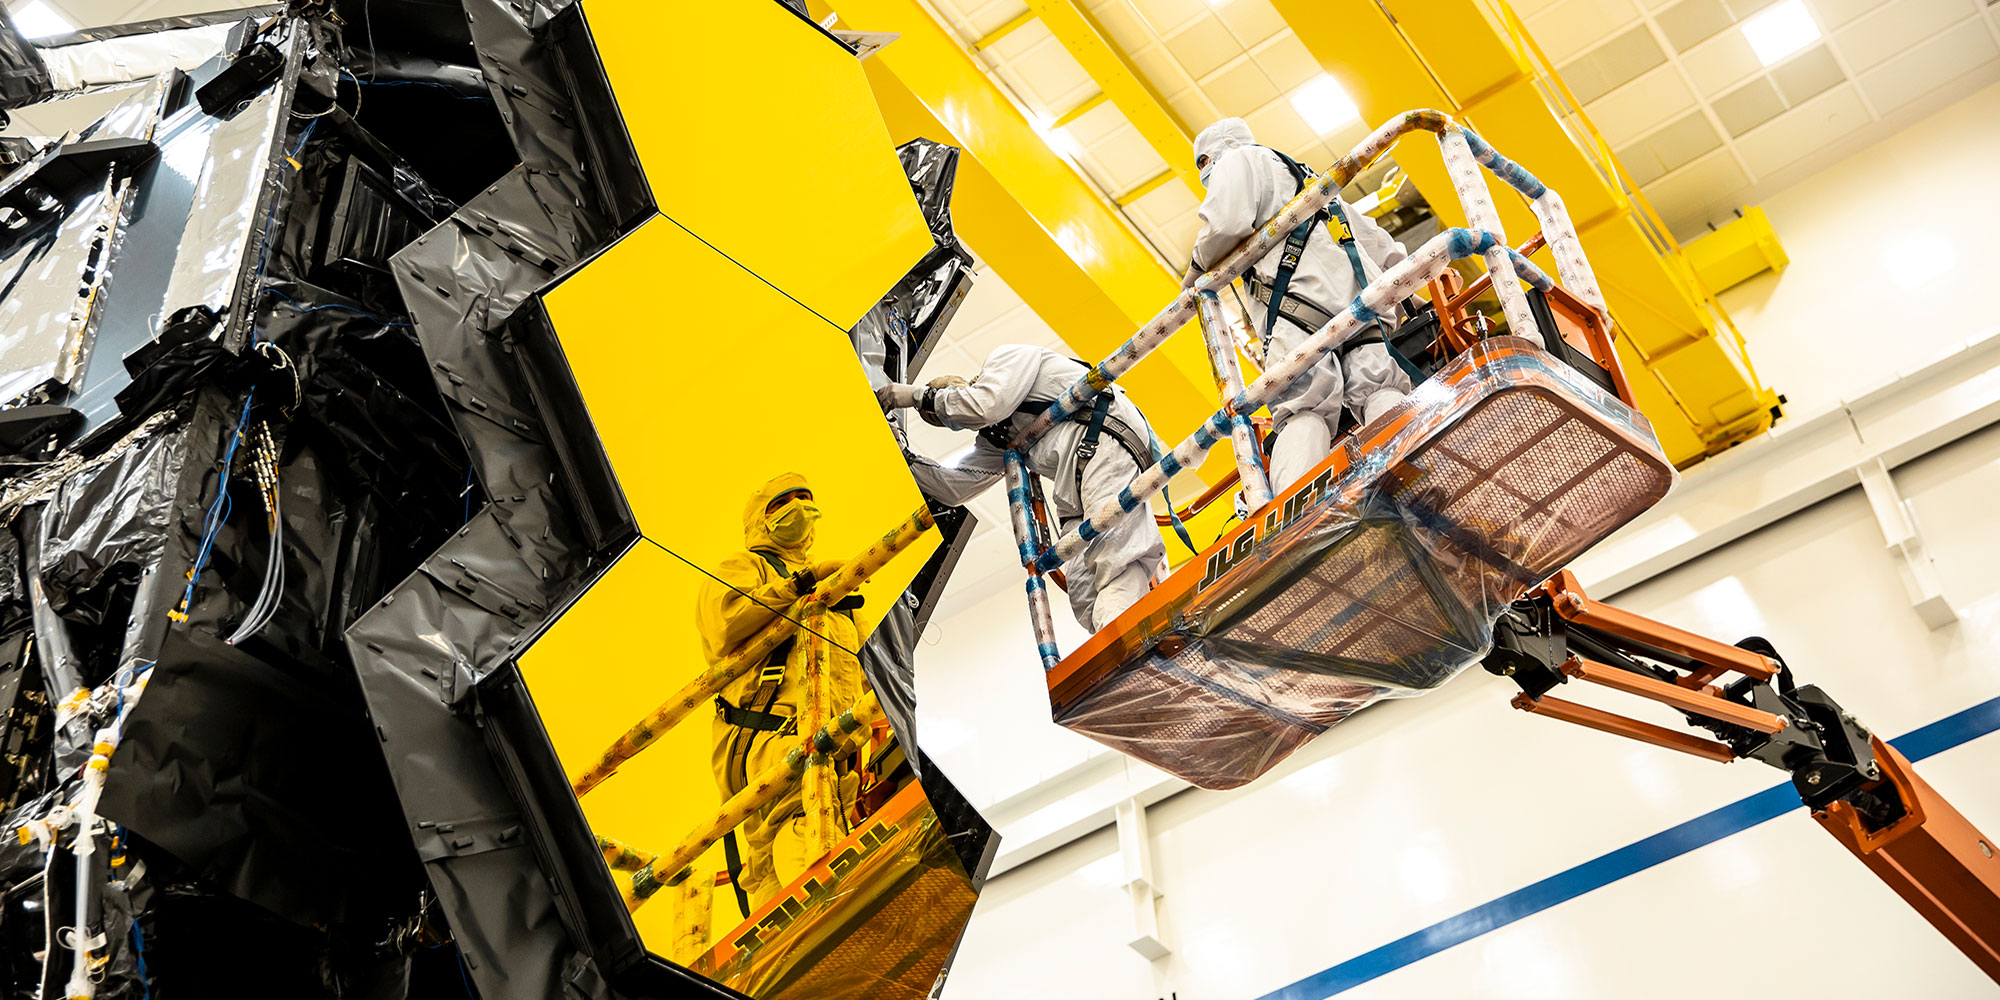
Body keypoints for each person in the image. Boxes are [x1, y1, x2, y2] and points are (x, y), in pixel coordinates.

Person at [1186, 117, 1412, 492]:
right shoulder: (1312, 182)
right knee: (1377, 387)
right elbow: (1381, 247)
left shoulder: (1236, 161)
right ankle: (1410, 473)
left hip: (1296, 312)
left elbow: (1224, 225)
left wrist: (1193, 276)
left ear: (1210, 156)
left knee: (1304, 409)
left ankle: (1297, 520)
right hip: (1364, 307)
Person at [876, 344, 1167, 632]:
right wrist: (901, 457)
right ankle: (1111, 647)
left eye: (943, 404)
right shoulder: (998, 434)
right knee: (1083, 587)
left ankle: (1131, 644)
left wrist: (915, 397)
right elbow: (955, 488)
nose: (950, 417)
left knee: (1114, 557)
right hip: (1076, 482)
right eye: (943, 421)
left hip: (1106, 441)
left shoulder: (1006, 360)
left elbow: (984, 405)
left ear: (964, 385)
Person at [698, 473, 865, 915]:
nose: (798, 507)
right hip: (768, 734)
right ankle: (826, 918)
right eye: (782, 502)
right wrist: (800, 584)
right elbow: (724, 625)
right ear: (760, 518)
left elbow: (864, 673)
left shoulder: (840, 599)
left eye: (805, 498)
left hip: (827, 741)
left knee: (777, 858)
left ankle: (784, 964)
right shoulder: (745, 566)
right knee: (803, 815)